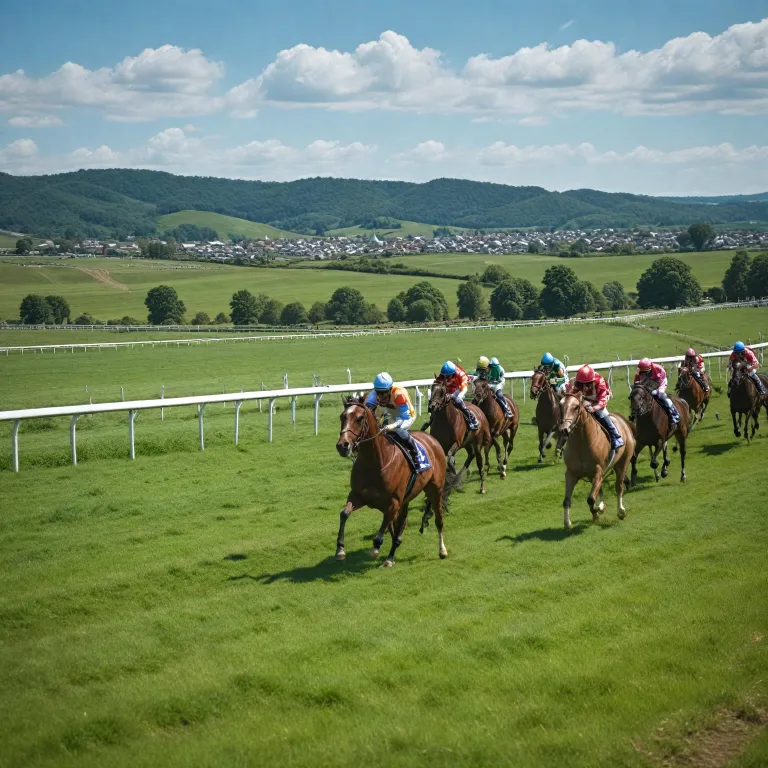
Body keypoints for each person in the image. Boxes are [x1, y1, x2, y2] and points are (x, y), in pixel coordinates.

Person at [365, 372, 423, 469]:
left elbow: (404, 418)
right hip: (392, 413)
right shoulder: (374, 395)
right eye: (378, 392)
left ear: (390, 389)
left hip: (406, 416)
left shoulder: (399, 395)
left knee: (398, 430)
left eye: (384, 392)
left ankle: (415, 453)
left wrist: (392, 426)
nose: (381, 395)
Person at [567, 364, 624, 449]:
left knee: (602, 413)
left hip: (600, 397)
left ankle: (616, 437)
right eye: (582, 384)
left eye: (587, 384)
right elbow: (571, 392)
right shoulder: (577, 381)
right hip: (586, 398)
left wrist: (593, 408)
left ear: (591, 382)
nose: (584, 387)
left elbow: (602, 401)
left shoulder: (600, 382)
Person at [435, 360, 479, 430]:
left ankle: (471, 418)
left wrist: (452, 395)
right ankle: (432, 419)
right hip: (450, 387)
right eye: (444, 376)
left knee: (457, 399)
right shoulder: (444, 373)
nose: (446, 378)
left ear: (453, 373)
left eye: (448, 376)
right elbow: (438, 382)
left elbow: (463, 386)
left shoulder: (460, 374)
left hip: (460, 387)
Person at [635, 357, 680, 425]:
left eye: (645, 372)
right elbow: (636, 382)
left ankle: (674, 414)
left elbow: (659, 383)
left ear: (649, 368)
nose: (643, 373)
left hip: (660, 382)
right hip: (648, 383)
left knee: (660, 395)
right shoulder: (639, 370)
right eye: (642, 372)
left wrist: (653, 390)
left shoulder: (659, 369)